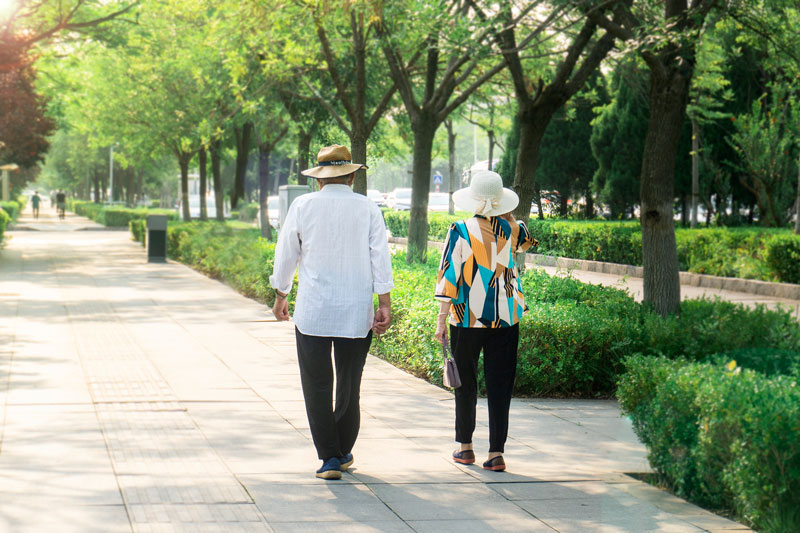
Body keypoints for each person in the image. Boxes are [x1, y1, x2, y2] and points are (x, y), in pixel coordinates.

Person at [270, 144, 393, 480]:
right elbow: (380, 258)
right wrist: (384, 303)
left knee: (317, 384)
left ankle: (329, 458)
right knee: (350, 384)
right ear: (352, 176)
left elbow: (286, 253)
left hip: (314, 311)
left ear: (319, 179)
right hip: (356, 313)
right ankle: (343, 450)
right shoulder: (368, 208)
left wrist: (281, 294)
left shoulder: (303, 206)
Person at [434, 170, 538, 472]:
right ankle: (496, 453)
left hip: (466, 316)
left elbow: (449, 276)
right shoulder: (514, 229)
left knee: (465, 382)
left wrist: (441, 320)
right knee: (500, 384)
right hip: (506, 317)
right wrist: (508, 218)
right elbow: (528, 243)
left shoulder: (459, 230)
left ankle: (465, 447)